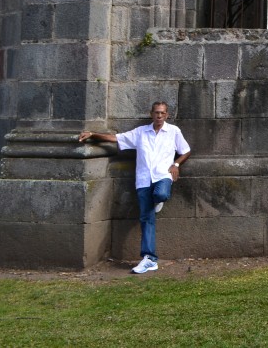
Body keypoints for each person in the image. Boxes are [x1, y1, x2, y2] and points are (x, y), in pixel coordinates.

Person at [78, 101, 191, 274]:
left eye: (162, 113)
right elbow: (116, 138)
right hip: (144, 180)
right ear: (151, 114)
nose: (159, 116)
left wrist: (176, 164)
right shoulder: (140, 133)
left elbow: (186, 150)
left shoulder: (173, 131)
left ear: (167, 115)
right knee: (146, 219)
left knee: (161, 194)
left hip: (163, 176)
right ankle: (150, 259)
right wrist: (93, 134)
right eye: (156, 113)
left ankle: (157, 201)